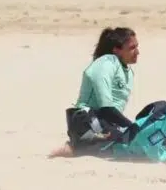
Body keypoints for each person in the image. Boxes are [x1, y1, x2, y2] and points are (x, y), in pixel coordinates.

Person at [48, 27, 140, 158]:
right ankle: (73, 148)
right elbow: (106, 108)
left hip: (106, 123)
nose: (137, 52)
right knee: (128, 144)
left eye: (137, 47)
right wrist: (131, 126)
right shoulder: (106, 64)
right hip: (86, 121)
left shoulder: (128, 71)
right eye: (132, 48)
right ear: (116, 50)